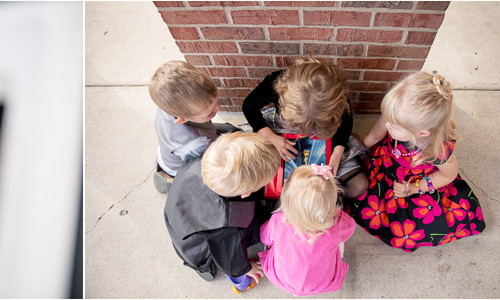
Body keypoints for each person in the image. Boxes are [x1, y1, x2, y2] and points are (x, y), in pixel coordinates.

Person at [348, 72, 485, 252]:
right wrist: (363, 148)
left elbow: (448, 175)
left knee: (408, 227)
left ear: (422, 133)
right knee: (360, 191)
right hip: (387, 161)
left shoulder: (437, 150)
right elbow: (376, 134)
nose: (387, 124)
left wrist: (414, 188)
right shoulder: (395, 116)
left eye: (393, 126)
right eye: (387, 118)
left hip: (414, 180)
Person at [163, 132, 278, 290]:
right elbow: (229, 258)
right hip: (203, 251)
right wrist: (245, 269)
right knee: (258, 228)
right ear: (246, 193)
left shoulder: (202, 162)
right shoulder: (230, 224)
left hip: (183, 213)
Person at [242, 56, 368, 199]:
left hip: (329, 143)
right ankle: (302, 199)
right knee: (261, 182)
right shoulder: (275, 84)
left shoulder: (336, 97)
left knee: (359, 185)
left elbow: (345, 123)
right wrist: (270, 137)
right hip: (280, 135)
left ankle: (313, 198)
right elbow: (249, 106)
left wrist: (337, 153)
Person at [258, 164, 356, 296]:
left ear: (286, 201)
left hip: (281, 280)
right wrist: (338, 214)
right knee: (339, 241)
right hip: (323, 283)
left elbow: (265, 238)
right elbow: (350, 228)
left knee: (273, 242)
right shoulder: (337, 224)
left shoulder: (278, 220)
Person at [148, 60, 237, 193]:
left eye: (216, 102)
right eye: (210, 113)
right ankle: (170, 182)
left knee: (230, 132)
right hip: (181, 167)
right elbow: (210, 165)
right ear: (182, 119)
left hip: (169, 149)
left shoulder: (169, 105)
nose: (218, 108)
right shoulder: (195, 144)